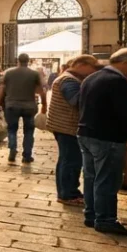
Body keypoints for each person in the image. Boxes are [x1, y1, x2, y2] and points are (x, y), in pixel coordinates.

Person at [78, 49, 127, 236]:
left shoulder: (92, 77)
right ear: (125, 63)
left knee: (92, 178)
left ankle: (91, 215)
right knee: (107, 179)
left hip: (86, 133)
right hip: (107, 137)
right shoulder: (118, 81)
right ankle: (105, 220)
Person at [46, 54, 100, 206]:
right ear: (81, 64)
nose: (93, 71)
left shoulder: (68, 78)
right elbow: (76, 100)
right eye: (92, 67)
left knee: (66, 159)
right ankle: (68, 194)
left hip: (63, 125)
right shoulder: (69, 81)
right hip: (67, 126)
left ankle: (66, 192)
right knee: (71, 161)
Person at [0, 53, 46, 164]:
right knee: (29, 131)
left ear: (17, 60)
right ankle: (27, 155)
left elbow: (1, 89)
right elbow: (41, 91)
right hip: (29, 106)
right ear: (28, 61)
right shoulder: (34, 74)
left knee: (12, 129)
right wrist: (44, 105)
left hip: (12, 105)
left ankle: (12, 149)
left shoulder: (8, 73)